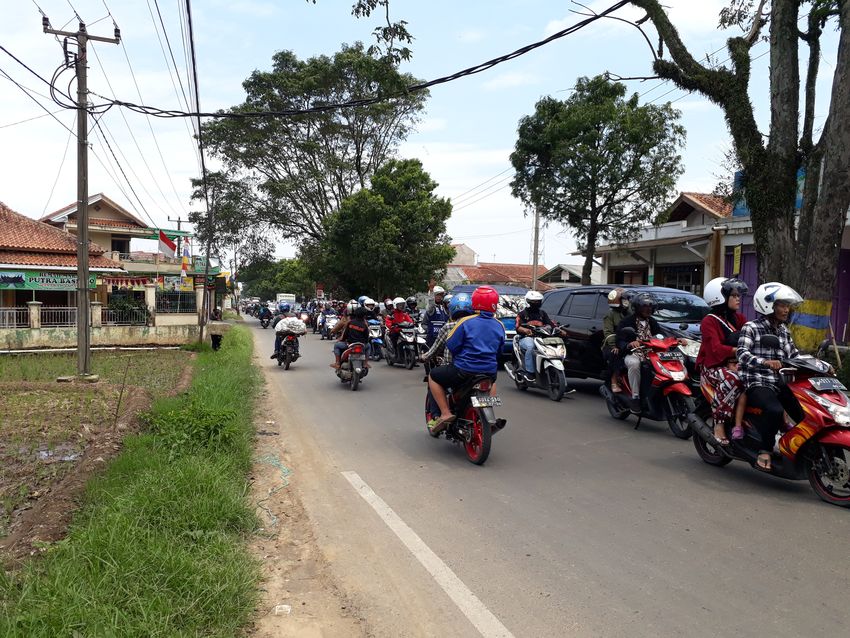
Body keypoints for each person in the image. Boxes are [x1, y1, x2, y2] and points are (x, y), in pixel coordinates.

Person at [737, 282, 805, 471]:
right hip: (757, 379)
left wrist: (819, 365)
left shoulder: (784, 330)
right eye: (782, 305)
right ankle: (764, 450)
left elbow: (794, 356)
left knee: (804, 409)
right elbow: (741, 353)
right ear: (768, 305)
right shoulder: (751, 327)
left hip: (781, 381)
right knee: (774, 410)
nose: (786, 310)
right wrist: (764, 362)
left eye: (787, 305)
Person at [427, 286, 505, 434]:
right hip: (489, 371)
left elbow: (452, 345)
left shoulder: (465, 322)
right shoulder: (499, 324)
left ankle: (445, 413)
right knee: (491, 382)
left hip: (464, 370)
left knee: (433, 376)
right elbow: (499, 350)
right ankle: (489, 414)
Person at [696, 277, 749, 445]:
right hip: (713, 367)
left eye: (738, 295)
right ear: (720, 297)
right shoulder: (709, 321)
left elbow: (751, 337)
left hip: (738, 364)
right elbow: (715, 350)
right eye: (733, 295)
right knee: (733, 379)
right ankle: (719, 423)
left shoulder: (739, 319)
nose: (738, 298)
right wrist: (737, 351)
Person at [616, 292, 662, 412]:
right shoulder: (627, 322)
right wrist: (629, 344)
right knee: (634, 364)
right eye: (645, 306)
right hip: (632, 353)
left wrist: (677, 340)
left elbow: (661, 335)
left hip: (651, 354)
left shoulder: (652, 322)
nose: (648, 309)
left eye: (650, 306)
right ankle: (635, 397)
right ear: (637, 307)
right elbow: (619, 341)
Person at [420, 293, 474, 368]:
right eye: (447, 303)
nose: (448, 305)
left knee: (432, 376)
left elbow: (435, 348)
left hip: (454, 366)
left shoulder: (448, 326)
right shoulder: (477, 325)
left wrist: (425, 356)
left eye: (449, 303)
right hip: (433, 335)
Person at [516, 290, 557, 380]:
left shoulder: (542, 313)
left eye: (538, 301)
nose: (536, 303)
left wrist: (559, 330)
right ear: (528, 301)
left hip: (541, 338)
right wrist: (525, 330)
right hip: (526, 338)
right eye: (534, 301)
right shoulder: (522, 314)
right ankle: (530, 372)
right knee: (531, 347)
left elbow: (551, 324)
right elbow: (518, 327)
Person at [602, 288, 630, 392]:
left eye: (627, 299)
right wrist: (614, 346)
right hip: (612, 345)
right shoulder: (610, 315)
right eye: (624, 299)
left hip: (627, 342)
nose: (627, 301)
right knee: (616, 355)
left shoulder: (630, 312)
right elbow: (608, 333)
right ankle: (614, 380)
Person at [331, 302, 371, 369]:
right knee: (368, 346)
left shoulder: (349, 321)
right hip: (361, 344)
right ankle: (365, 363)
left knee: (337, 346)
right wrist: (365, 342)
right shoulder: (365, 324)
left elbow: (345, 333)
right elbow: (367, 336)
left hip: (350, 344)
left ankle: (337, 363)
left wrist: (342, 339)